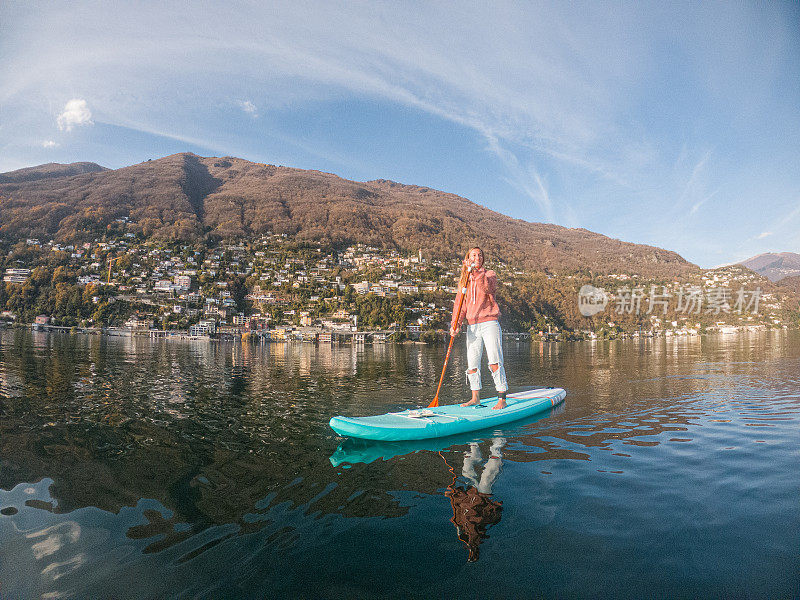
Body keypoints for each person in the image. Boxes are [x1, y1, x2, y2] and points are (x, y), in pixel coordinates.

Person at [449, 247, 509, 409]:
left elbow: (487, 288)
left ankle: (502, 397)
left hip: (489, 323)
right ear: (468, 258)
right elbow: (459, 306)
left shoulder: (490, 274)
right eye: (473, 255)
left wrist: (475, 273)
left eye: (480, 255)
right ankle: (475, 397)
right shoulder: (464, 281)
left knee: (494, 360)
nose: (477, 257)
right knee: (472, 363)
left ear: (482, 259)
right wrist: (456, 324)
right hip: (472, 325)